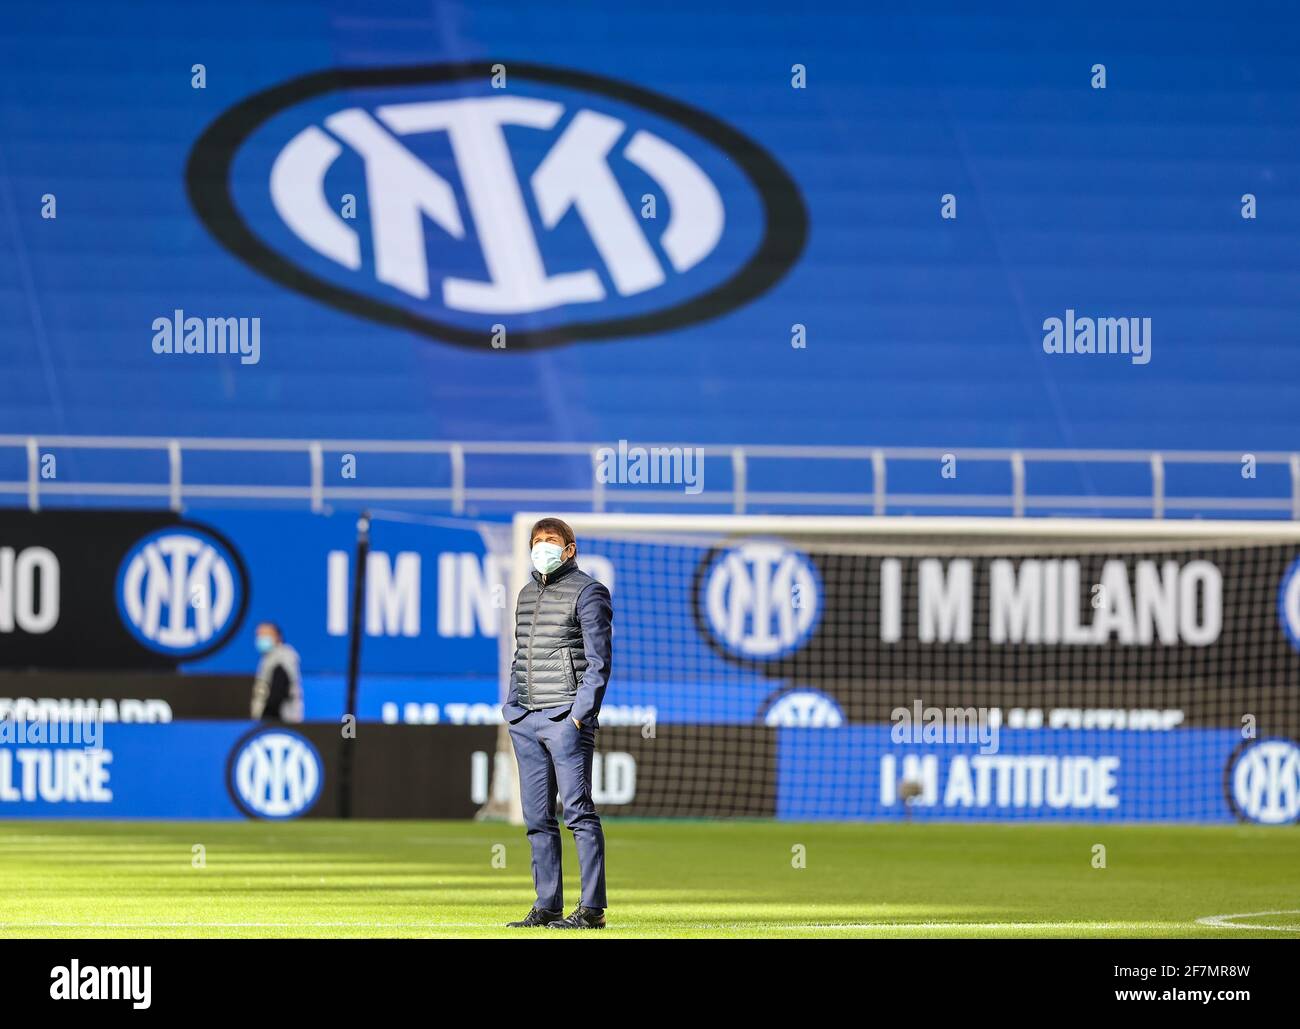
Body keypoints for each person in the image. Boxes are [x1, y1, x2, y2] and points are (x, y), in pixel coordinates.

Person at [503, 517, 612, 930]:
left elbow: (599, 664)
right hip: (527, 717)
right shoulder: (527, 593)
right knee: (537, 818)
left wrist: (579, 717)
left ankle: (591, 910)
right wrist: (513, 708)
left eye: (551, 541)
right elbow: (520, 656)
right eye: (537, 541)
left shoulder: (589, 591)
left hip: (566, 719)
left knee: (579, 813)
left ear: (569, 549)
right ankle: (547, 905)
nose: (542, 547)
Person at [250, 621, 303, 723]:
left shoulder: (283, 658)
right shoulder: (268, 659)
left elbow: (277, 692)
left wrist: (266, 716)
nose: (261, 639)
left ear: (278, 637)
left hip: (280, 720)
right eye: (258, 635)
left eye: (265, 635)